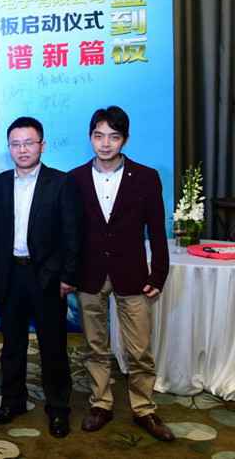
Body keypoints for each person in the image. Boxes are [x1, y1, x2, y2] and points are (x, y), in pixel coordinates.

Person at [69, 106, 174, 441]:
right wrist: (68, 273)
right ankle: (101, 403)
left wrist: (158, 274)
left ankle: (144, 408)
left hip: (133, 275)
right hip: (89, 274)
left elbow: (157, 230)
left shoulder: (146, 177)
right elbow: (70, 233)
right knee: (95, 346)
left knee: (139, 349)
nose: (105, 143)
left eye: (113, 137)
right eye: (99, 136)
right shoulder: (75, 179)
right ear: (90, 138)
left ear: (124, 140)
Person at [0, 116, 80, 438]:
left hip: (47, 276)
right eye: (16, 144)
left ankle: (58, 408)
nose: (22, 149)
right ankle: (13, 401)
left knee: (53, 346)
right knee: (12, 344)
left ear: (42, 145)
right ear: (9, 147)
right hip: (9, 274)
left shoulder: (61, 182)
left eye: (29, 143)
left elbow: (71, 234)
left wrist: (66, 276)